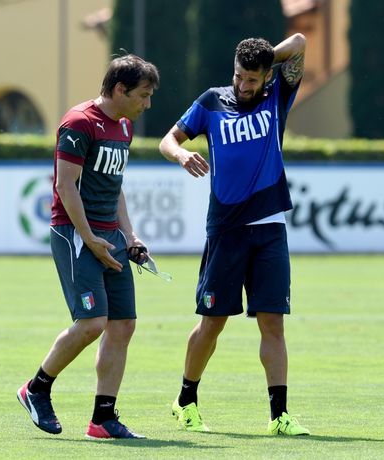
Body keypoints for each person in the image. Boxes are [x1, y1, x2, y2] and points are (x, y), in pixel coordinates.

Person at [158, 34, 310, 436]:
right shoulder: (211, 102)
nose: (245, 86)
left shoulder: (277, 96)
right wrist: (182, 154)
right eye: (240, 76)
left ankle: (280, 416)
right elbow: (167, 139)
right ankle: (185, 399)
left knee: (273, 324)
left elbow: (298, 42)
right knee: (213, 323)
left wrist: (266, 59)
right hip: (226, 229)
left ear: (265, 77)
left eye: (253, 79)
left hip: (270, 227)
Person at [17, 54, 159, 439]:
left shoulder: (124, 127)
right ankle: (36, 389)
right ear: (119, 89)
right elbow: (65, 187)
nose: (147, 104)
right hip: (75, 234)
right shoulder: (80, 123)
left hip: (108, 236)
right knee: (93, 323)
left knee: (123, 324)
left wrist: (129, 236)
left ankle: (103, 419)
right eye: (143, 95)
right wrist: (91, 240)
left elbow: (114, 188)